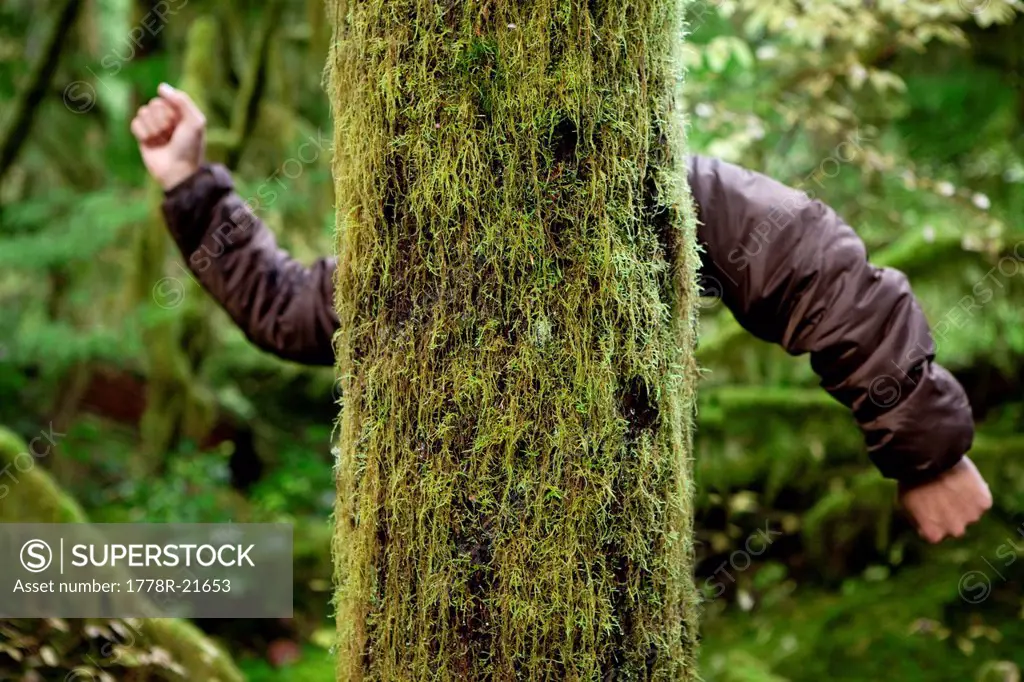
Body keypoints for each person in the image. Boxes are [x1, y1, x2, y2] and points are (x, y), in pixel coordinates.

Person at [131, 83, 992, 545]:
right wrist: (189, 185)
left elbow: (805, 263)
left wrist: (926, 449)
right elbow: (290, 309)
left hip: (606, 589)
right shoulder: (422, 241)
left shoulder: (640, 179)